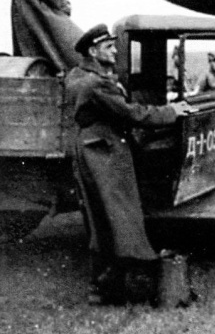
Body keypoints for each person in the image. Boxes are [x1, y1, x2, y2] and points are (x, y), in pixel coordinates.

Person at [65, 24, 192, 304]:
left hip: (94, 148)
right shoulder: (96, 83)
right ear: (93, 51)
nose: (115, 51)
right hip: (104, 153)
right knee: (115, 219)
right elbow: (132, 114)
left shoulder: (79, 75)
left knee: (103, 219)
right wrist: (172, 111)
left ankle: (109, 287)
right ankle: (108, 288)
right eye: (109, 47)